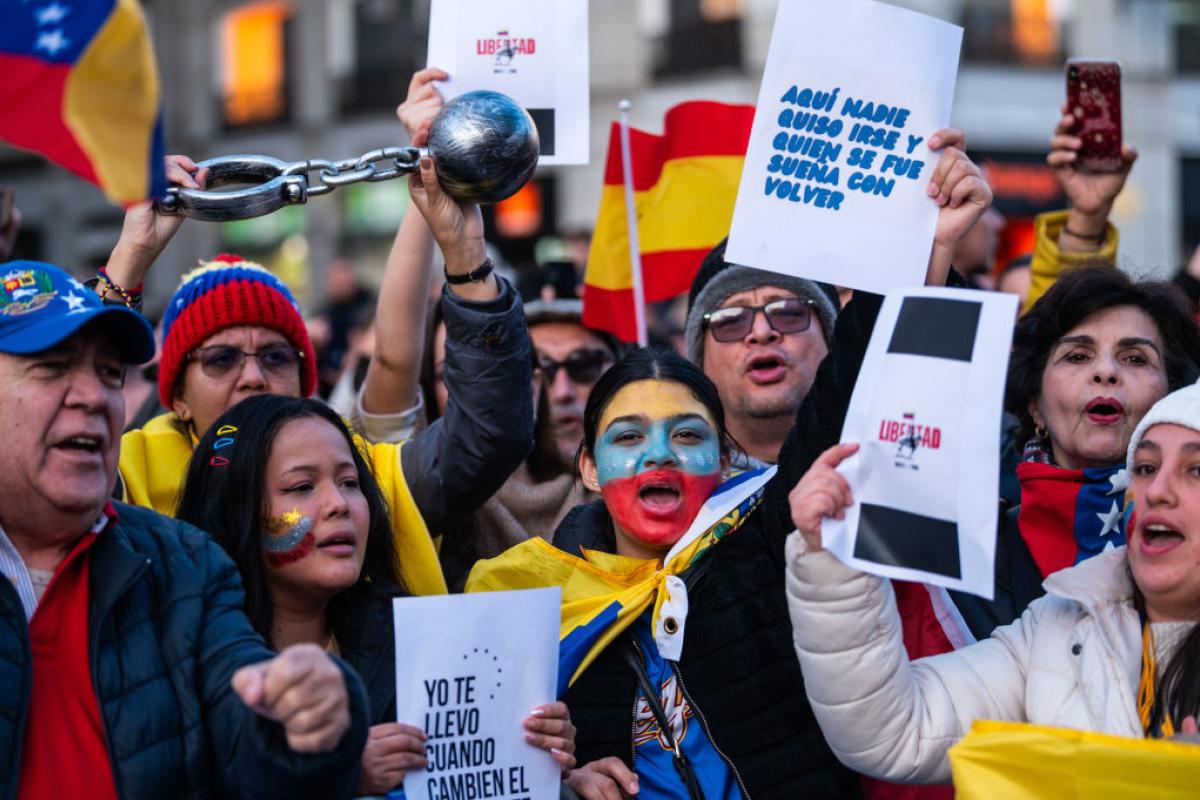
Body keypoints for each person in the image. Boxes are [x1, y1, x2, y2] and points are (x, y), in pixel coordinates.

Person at [111, 69, 534, 595]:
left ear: (306, 380)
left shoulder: (359, 480)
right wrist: (129, 257)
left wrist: (466, 257)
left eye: (275, 357)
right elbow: (53, 418)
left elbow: (489, 435)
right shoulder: (124, 478)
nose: (252, 378)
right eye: (221, 360)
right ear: (175, 395)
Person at [0, 260, 368, 798]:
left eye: (109, 373)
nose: (96, 397)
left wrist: (313, 716)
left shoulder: (188, 566)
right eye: (54, 367)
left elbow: (254, 750)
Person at [468, 348, 863, 799]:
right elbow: (484, 766)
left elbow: (844, 392)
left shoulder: (771, 541)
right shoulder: (532, 597)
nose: (659, 454)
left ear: (725, 459)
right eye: (629, 437)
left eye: (689, 436)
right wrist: (562, 783)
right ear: (590, 468)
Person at [785, 381, 1200, 784]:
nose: (1157, 490)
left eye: (1195, 470)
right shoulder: (1058, 626)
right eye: (1145, 468)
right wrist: (833, 559)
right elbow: (892, 732)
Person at [174, 394, 577, 796]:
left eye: (350, 483)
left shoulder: (428, 643)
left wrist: (543, 760)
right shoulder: (179, 659)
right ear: (235, 510)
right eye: (301, 486)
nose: (339, 504)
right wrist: (337, 775)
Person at [948, 265, 1200, 639]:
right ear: (1035, 403)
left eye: (1135, 358)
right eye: (1078, 356)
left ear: (1171, 396)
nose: (1105, 372)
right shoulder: (969, 556)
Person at [433, 298, 621, 588]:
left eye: (584, 366)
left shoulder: (642, 499)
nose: (561, 392)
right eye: (542, 367)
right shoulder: (444, 498)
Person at [683, 237, 840, 467]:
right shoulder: (671, 487)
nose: (762, 332)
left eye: (788, 313)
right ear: (699, 358)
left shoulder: (890, 462)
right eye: (731, 320)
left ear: (831, 339)